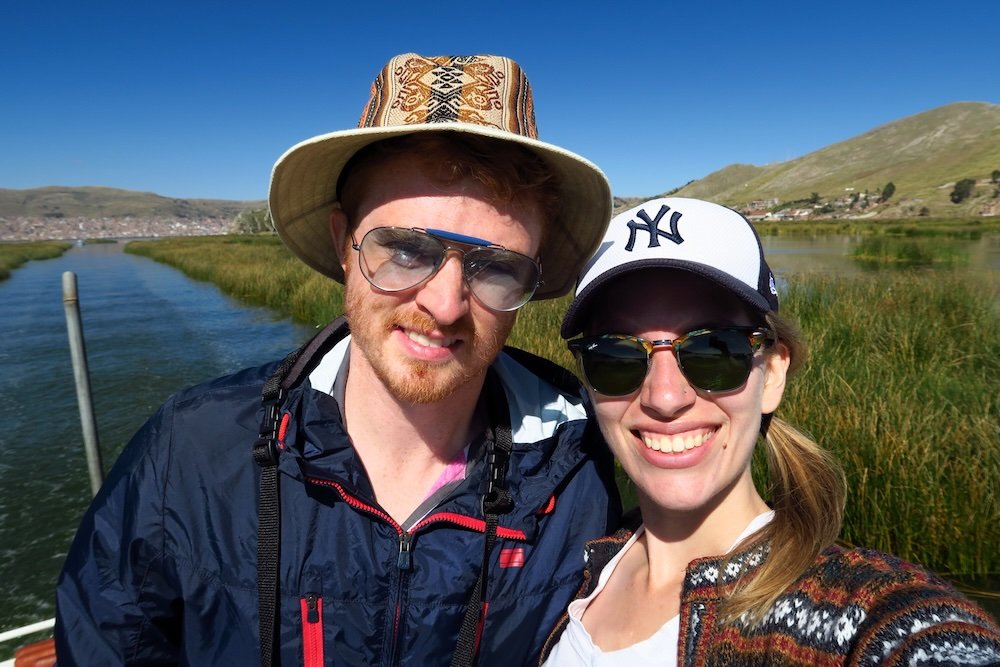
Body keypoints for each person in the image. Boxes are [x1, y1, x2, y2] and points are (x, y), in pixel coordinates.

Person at [54, 53, 622, 666]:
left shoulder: (578, 464)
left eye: (499, 268)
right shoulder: (192, 451)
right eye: (405, 250)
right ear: (342, 246)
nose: (446, 303)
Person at [541, 197, 1000, 665]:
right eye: (615, 356)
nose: (664, 397)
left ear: (773, 374)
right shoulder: (575, 566)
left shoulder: (858, 612)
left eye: (715, 351)